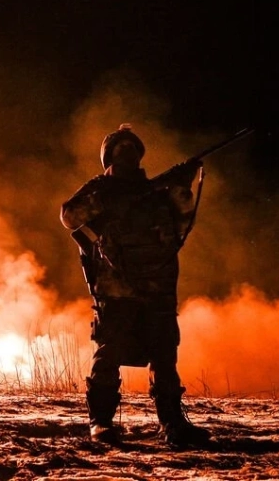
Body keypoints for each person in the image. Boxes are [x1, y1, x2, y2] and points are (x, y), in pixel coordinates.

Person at [60, 124, 211, 447]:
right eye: (120, 147)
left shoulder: (157, 192)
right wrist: (108, 201)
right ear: (109, 156)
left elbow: (182, 224)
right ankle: (100, 423)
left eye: (132, 147)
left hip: (158, 287)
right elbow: (69, 216)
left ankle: (172, 423)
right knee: (109, 354)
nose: (127, 152)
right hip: (116, 287)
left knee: (164, 356)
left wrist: (181, 188)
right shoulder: (101, 188)